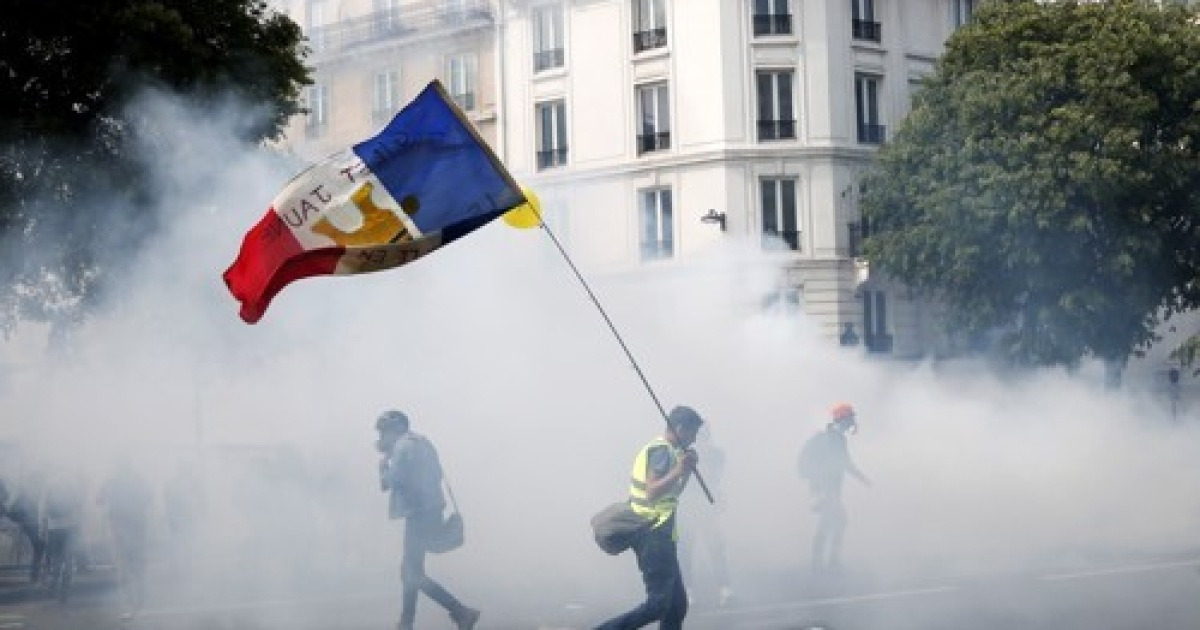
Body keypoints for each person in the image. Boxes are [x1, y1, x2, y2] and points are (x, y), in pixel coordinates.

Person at [596, 405, 704, 630]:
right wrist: (678, 471)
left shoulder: (668, 452)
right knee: (658, 606)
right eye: (693, 433)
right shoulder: (661, 452)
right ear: (681, 428)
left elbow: (671, 494)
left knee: (676, 607)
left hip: (661, 534)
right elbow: (653, 491)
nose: (694, 439)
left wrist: (686, 471)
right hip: (652, 535)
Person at [376, 410, 479, 630]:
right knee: (411, 571)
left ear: (394, 431)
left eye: (383, 433)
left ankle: (461, 611)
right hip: (429, 511)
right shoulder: (422, 443)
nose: (381, 439)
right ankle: (406, 622)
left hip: (418, 515)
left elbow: (392, 482)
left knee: (411, 573)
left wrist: (383, 468)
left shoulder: (403, 447)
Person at [797, 402, 870, 573]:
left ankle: (824, 562)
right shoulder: (831, 439)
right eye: (850, 418)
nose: (852, 422)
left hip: (829, 490)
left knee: (832, 523)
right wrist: (863, 480)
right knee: (835, 523)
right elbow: (843, 464)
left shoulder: (835, 438)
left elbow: (843, 463)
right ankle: (826, 563)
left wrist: (863, 480)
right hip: (827, 490)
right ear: (842, 419)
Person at [677, 425, 733, 607]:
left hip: (706, 507)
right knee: (686, 551)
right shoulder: (682, 454)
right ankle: (688, 592)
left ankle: (725, 589)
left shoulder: (717, 454)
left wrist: (719, 496)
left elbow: (715, 477)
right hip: (687, 507)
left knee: (716, 547)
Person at [97, 460, 154, 619]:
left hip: (120, 530)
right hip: (138, 529)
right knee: (138, 566)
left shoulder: (113, 482)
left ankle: (129, 604)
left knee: (124, 567)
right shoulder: (139, 481)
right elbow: (150, 499)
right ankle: (141, 600)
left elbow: (99, 499)